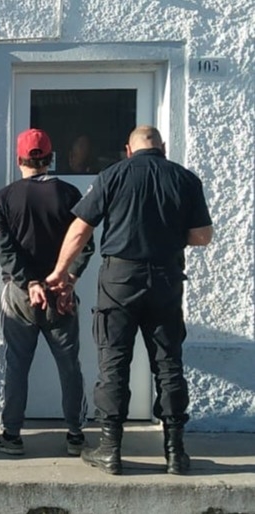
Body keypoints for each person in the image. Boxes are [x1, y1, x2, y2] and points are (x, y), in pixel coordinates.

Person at [46, 125, 213, 475]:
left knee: (114, 363)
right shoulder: (185, 179)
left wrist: (60, 272)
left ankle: (110, 449)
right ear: (163, 147)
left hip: (120, 280)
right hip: (166, 279)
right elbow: (202, 236)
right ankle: (175, 453)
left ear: (128, 149)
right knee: (169, 365)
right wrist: (166, 236)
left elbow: (80, 228)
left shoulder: (112, 175)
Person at [0, 128, 95, 456]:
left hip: (21, 296)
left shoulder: (5, 198)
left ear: (19, 160)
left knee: (17, 364)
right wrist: (69, 279)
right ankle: (76, 436)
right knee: (69, 364)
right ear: (51, 158)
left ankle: (12, 435)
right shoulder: (71, 194)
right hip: (61, 294)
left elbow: (2, 247)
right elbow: (86, 243)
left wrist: (28, 282)